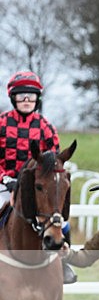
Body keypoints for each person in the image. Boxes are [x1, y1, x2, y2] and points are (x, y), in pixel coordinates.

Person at [0, 70, 77, 284]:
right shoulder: (2, 124)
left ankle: (63, 264)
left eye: (31, 95)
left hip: (35, 186)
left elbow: (54, 164)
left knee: (59, 220)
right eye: (21, 95)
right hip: (6, 184)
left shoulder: (46, 128)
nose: (26, 100)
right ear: (12, 98)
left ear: (37, 98)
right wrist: (5, 178)